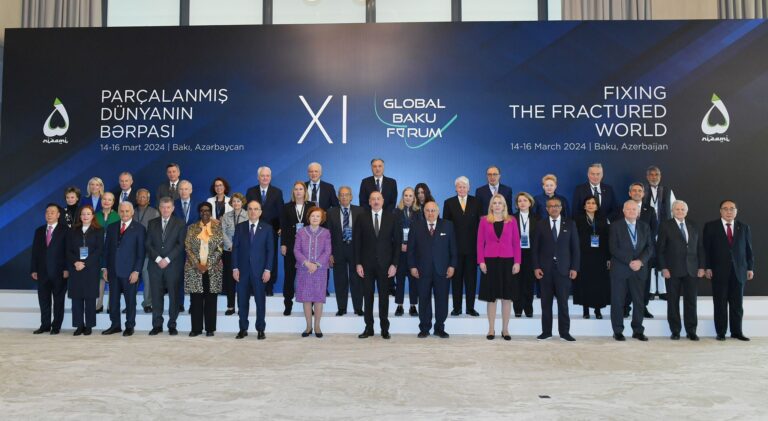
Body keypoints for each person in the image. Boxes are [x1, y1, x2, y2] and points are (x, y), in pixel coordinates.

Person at [703, 200, 754, 341]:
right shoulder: (711, 226)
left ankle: (737, 332)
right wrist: (707, 267)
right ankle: (721, 332)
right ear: (720, 211)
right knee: (720, 303)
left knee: (737, 304)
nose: (729, 211)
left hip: (739, 271)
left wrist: (750, 267)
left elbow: (748, 250)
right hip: (718, 271)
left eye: (732, 208)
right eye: (725, 208)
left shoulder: (744, 227)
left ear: (736, 211)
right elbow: (706, 249)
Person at [354, 191, 401, 339]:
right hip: (366, 265)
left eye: (378, 199)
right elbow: (357, 243)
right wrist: (358, 263)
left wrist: (394, 264)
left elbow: (397, 243)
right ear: (369, 202)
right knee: (367, 297)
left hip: (386, 265)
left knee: (384, 298)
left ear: (383, 201)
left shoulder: (392, 217)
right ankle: (369, 328)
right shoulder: (361, 217)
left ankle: (384, 328)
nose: (375, 201)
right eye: (373, 199)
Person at [532, 197, 579, 341]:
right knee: (546, 303)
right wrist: (536, 267)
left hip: (564, 270)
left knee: (563, 303)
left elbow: (575, 248)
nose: (554, 208)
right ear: (547, 209)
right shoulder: (540, 224)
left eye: (557, 206)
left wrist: (574, 268)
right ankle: (546, 332)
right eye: (551, 206)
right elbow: (535, 249)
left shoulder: (570, 224)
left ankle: (564, 332)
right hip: (544, 270)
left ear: (561, 208)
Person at [408, 201, 457, 338]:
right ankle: (424, 327)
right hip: (422, 270)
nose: (430, 213)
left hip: (443, 270)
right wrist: (412, 266)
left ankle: (439, 328)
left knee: (442, 300)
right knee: (424, 299)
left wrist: (452, 266)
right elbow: (411, 250)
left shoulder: (448, 225)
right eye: (427, 211)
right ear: (423, 212)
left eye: (433, 210)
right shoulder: (416, 225)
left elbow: (453, 248)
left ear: (438, 211)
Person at [656, 200, 704, 341]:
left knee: (691, 302)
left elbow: (700, 247)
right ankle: (675, 330)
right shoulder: (665, 225)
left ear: (686, 212)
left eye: (682, 209)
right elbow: (660, 249)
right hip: (672, 270)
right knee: (673, 302)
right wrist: (664, 268)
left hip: (692, 270)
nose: (680, 211)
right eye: (677, 209)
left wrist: (701, 267)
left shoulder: (694, 225)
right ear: (672, 211)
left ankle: (691, 331)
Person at [477, 194, 521, 340]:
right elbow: (479, 242)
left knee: (506, 298)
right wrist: (481, 261)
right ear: (491, 205)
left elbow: (516, 242)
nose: (497, 205)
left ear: (504, 206)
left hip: (508, 261)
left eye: (500, 203)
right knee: (492, 298)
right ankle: (491, 329)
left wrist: (517, 262)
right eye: (494, 203)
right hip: (489, 262)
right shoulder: (484, 221)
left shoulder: (512, 220)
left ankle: (505, 330)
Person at [609, 200, 653, 341]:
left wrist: (640, 261)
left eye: (634, 209)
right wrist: (630, 261)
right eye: (628, 209)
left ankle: (638, 330)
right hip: (620, 269)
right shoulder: (615, 226)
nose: (631, 211)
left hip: (639, 269)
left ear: (638, 212)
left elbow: (650, 247)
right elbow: (613, 248)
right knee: (618, 301)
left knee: (639, 302)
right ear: (623, 211)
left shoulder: (644, 227)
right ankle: (617, 331)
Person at [101, 202, 146, 337]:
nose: (124, 213)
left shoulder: (139, 228)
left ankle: (129, 326)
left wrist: (136, 271)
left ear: (132, 212)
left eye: (127, 211)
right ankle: (115, 325)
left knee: (130, 301)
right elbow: (106, 250)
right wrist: (105, 268)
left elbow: (141, 253)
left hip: (130, 272)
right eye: (122, 211)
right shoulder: (112, 227)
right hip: (113, 271)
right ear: (118, 212)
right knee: (113, 301)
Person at [232, 200, 275, 340]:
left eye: (256, 209)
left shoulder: (267, 228)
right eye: (250, 209)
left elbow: (270, 251)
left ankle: (260, 329)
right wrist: (235, 268)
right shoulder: (240, 227)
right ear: (247, 211)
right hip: (242, 271)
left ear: (260, 212)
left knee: (260, 302)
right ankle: (243, 328)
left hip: (260, 271)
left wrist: (268, 269)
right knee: (242, 302)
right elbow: (235, 249)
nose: (253, 211)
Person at [145, 197, 186, 336]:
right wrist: (158, 259)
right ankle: (157, 325)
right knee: (156, 296)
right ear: (159, 208)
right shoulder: (152, 223)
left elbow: (180, 244)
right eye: (163, 207)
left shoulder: (180, 223)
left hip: (172, 265)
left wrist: (167, 259)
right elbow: (148, 244)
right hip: (155, 265)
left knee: (174, 296)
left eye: (168, 207)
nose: (165, 210)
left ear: (173, 208)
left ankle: (172, 324)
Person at [442, 176, 481, 317]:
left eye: (464, 186)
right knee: (456, 280)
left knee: (471, 280)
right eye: (459, 186)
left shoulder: (477, 202)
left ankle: (470, 308)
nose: (462, 189)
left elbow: (481, 226)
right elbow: (446, 227)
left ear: (469, 188)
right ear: (456, 188)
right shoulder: (449, 203)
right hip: (455, 249)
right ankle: (457, 308)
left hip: (472, 249)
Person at [184, 202, 224, 337]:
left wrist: (208, 264)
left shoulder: (218, 228)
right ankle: (196, 329)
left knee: (211, 300)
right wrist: (198, 264)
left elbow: (220, 248)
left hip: (212, 269)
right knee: (196, 300)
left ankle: (210, 328)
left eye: (207, 210)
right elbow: (188, 247)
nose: (204, 213)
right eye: (202, 210)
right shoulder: (192, 228)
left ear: (211, 212)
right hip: (194, 269)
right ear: (199, 213)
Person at [30, 203, 69, 335]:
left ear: (58, 215)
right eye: (47, 212)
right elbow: (35, 252)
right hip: (42, 272)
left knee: (58, 301)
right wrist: (33, 269)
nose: (49, 214)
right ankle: (45, 325)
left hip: (59, 272)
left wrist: (67, 269)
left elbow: (68, 251)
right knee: (44, 300)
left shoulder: (65, 230)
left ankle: (56, 326)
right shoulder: (39, 231)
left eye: (52, 212)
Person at [294, 207, 332, 337]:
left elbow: (327, 251)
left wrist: (316, 264)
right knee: (306, 298)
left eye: (318, 216)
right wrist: (306, 263)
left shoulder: (326, 233)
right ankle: (308, 327)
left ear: (322, 219)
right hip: (304, 269)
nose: (315, 218)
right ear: (308, 217)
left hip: (320, 270)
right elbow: (296, 250)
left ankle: (317, 327)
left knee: (318, 298)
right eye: (313, 216)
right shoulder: (301, 232)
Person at [245, 166, 283, 296]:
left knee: (271, 257)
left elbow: (280, 211)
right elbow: (247, 210)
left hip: (271, 231)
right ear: (258, 177)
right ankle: (253, 285)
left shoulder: (277, 192)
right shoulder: (251, 191)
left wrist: (280, 227)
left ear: (270, 177)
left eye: (267, 175)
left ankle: (269, 286)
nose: (265, 178)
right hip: (254, 230)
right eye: (262, 175)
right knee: (254, 257)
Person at [326, 186, 364, 316]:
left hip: (355, 250)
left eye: (346, 194)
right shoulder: (331, 212)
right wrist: (330, 253)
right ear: (338, 197)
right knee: (340, 280)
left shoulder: (360, 211)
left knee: (357, 280)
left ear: (351, 196)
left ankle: (358, 308)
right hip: (338, 250)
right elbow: (328, 235)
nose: (344, 197)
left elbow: (364, 233)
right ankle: (342, 308)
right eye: (341, 195)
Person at [66, 205, 103, 336]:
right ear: (80, 216)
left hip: (91, 268)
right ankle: (79, 325)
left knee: (90, 298)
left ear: (93, 216)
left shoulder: (99, 230)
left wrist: (85, 263)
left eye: (88, 214)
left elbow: (99, 250)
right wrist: (76, 262)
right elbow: (68, 250)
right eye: (83, 214)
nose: (85, 216)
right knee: (76, 298)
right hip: (75, 268)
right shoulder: (73, 230)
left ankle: (89, 326)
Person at [280, 181, 315, 316]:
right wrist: (283, 244)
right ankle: (288, 304)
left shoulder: (311, 206)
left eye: (301, 189)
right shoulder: (286, 207)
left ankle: (310, 305)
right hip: (290, 246)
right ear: (293, 192)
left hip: (308, 247)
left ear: (305, 191)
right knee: (289, 276)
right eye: (296, 189)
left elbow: (315, 224)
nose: (298, 191)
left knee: (308, 277)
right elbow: (283, 226)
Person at [573, 196, 611, 319]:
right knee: (585, 283)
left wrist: (608, 258)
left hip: (600, 256)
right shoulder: (577, 219)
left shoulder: (603, 219)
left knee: (598, 284)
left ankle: (597, 310)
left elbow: (608, 239)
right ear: (584, 206)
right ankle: (585, 310)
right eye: (588, 203)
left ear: (597, 206)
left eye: (593, 203)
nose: (590, 205)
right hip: (583, 256)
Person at [625, 183, 658, 319]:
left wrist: (643, 252)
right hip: (627, 254)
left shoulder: (649, 210)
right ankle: (625, 307)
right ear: (629, 193)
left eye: (640, 191)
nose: (637, 193)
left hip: (645, 254)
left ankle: (642, 307)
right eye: (634, 190)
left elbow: (654, 230)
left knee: (644, 282)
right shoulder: (624, 208)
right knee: (626, 281)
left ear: (643, 194)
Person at [644, 165, 676, 301]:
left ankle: (663, 291)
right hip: (648, 230)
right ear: (647, 177)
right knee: (650, 260)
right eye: (651, 175)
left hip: (664, 229)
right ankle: (651, 290)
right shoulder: (642, 190)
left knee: (663, 259)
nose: (654, 177)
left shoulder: (668, 191)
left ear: (660, 176)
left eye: (656, 174)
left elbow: (674, 209)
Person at [393, 187, 421, 317]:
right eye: (406, 195)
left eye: (410, 196)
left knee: (413, 280)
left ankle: (413, 306)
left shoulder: (419, 212)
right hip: (400, 252)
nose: (408, 198)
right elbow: (392, 232)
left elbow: (421, 233)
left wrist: (411, 246)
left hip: (414, 253)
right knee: (399, 279)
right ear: (402, 197)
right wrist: (400, 245)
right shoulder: (396, 212)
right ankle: (399, 305)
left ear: (414, 198)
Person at [133, 189, 159, 313]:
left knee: (147, 279)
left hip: (148, 251)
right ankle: (130, 303)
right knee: (132, 279)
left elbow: (157, 233)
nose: (142, 199)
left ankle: (148, 303)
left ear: (148, 200)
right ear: (136, 198)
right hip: (132, 252)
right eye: (140, 197)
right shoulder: (131, 211)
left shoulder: (155, 212)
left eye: (144, 197)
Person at [173, 180, 198, 312]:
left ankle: (194, 304)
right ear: (178, 191)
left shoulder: (198, 205)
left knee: (194, 275)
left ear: (191, 190)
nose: (183, 191)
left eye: (186, 189)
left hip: (194, 246)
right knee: (179, 275)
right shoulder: (173, 205)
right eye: (181, 189)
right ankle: (179, 303)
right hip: (178, 245)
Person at [221, 192, 247, 316]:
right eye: (234, 201)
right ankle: (230, 306)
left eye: (238, 201)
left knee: (242, 280)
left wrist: (239, 247)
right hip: (228, 251)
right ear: (231, 203)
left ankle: (242, 306)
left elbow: (249, 233)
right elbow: (222, 232)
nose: (236, 203)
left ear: (242, 202)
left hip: (243, 252)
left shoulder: (248, 215)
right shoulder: (226, 216)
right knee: (230, 279)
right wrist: (230, 245)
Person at [512, 192, 537, 318]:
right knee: (516, 282)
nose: (522, 203)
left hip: (531, 253)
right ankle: (517, 308)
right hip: (515, 253)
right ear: (517, 204)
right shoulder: (511, 218)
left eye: (525, 200)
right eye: (520, 201)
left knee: (529, 282)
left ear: (530, 203)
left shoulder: (537, 218)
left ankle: (528, 308)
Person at [96, 191, 119, 314]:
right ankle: (98, 304)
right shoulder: (95, 216)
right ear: (101, 201)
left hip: (112, 251)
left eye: (109, 200)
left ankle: (111, 305)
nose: (106, 201)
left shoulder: (117, 216)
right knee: (99, 278)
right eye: (104, 199)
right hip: (97, 251)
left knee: (112, 278)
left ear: (113, 202)